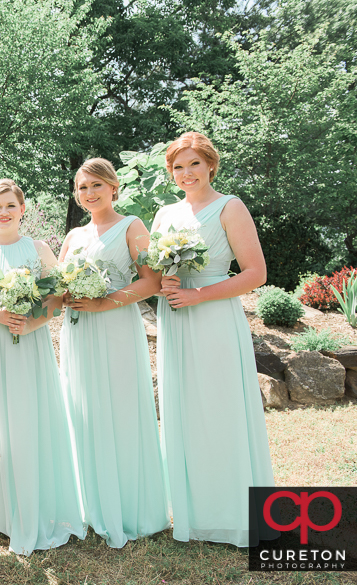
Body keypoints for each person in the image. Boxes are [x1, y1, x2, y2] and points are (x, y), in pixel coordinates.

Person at [152, 132, 274, 546]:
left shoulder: (230, 207)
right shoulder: (164, 214)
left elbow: (255, 273)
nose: (186, 173)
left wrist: (197, 294)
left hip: (214, 317)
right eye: (178, 167)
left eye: (194, 164)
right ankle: (193, 514)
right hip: (174, 317)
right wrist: (168, 283)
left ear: (210, 166)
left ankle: (233, 514)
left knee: (219, 409)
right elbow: (156, 269)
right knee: (183, 409)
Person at [0, 178, 85, 555]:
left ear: (22, 210)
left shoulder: (40, 249)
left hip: (27, 346)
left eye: (11, 205)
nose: (4, 212)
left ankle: (30, 513)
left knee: (26, 424)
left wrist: (31, 322)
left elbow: (59, 297)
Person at [58, 158, 169, 548]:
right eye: (82, 188)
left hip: (117, 328)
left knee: (121, 410)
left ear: (112, 187)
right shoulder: (73, 236)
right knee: (84, 412)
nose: (88, 193)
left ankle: (130, 509)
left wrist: (106, 303)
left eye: (95, 186)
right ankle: (92, 505)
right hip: (78, 334)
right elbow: (58, 287)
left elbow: (152, 281)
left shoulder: (132, 226)